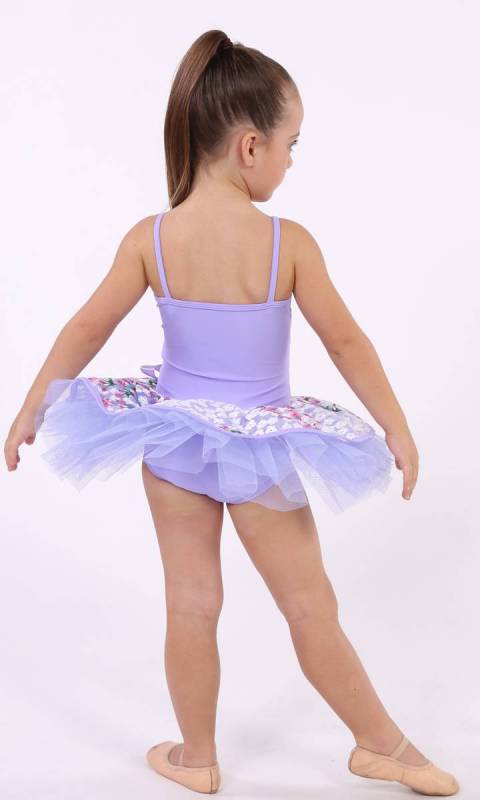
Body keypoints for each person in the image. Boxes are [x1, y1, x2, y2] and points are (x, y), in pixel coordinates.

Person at [4, 28, 459, 797]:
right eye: (291, 144)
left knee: (190, 605)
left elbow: (85, 328)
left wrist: (30, 409)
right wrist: (397, 426)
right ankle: (387, 747)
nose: (291, 160)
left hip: (174, 441)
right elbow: (346, 341)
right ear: (251, 147)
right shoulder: (287, 243)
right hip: (258, 449)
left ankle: (196, 756)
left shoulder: (152, 238)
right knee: (310, 607)